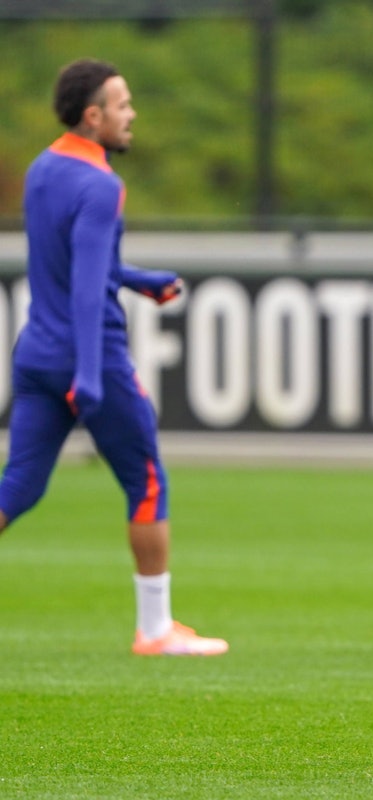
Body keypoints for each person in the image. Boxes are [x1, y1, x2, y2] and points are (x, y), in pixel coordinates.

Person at [0, 58, 228, 657]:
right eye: (123, 105)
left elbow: (74, 260)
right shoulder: (102, 183)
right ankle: (155, 630)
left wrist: (136, 277)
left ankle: (158, 628)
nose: (132, 116)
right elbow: (84, 286)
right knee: (147, 479)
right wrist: (90, 376)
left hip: (35, 354)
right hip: (89, 352)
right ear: (94, 115)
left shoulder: (44, 167)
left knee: (18, 487)